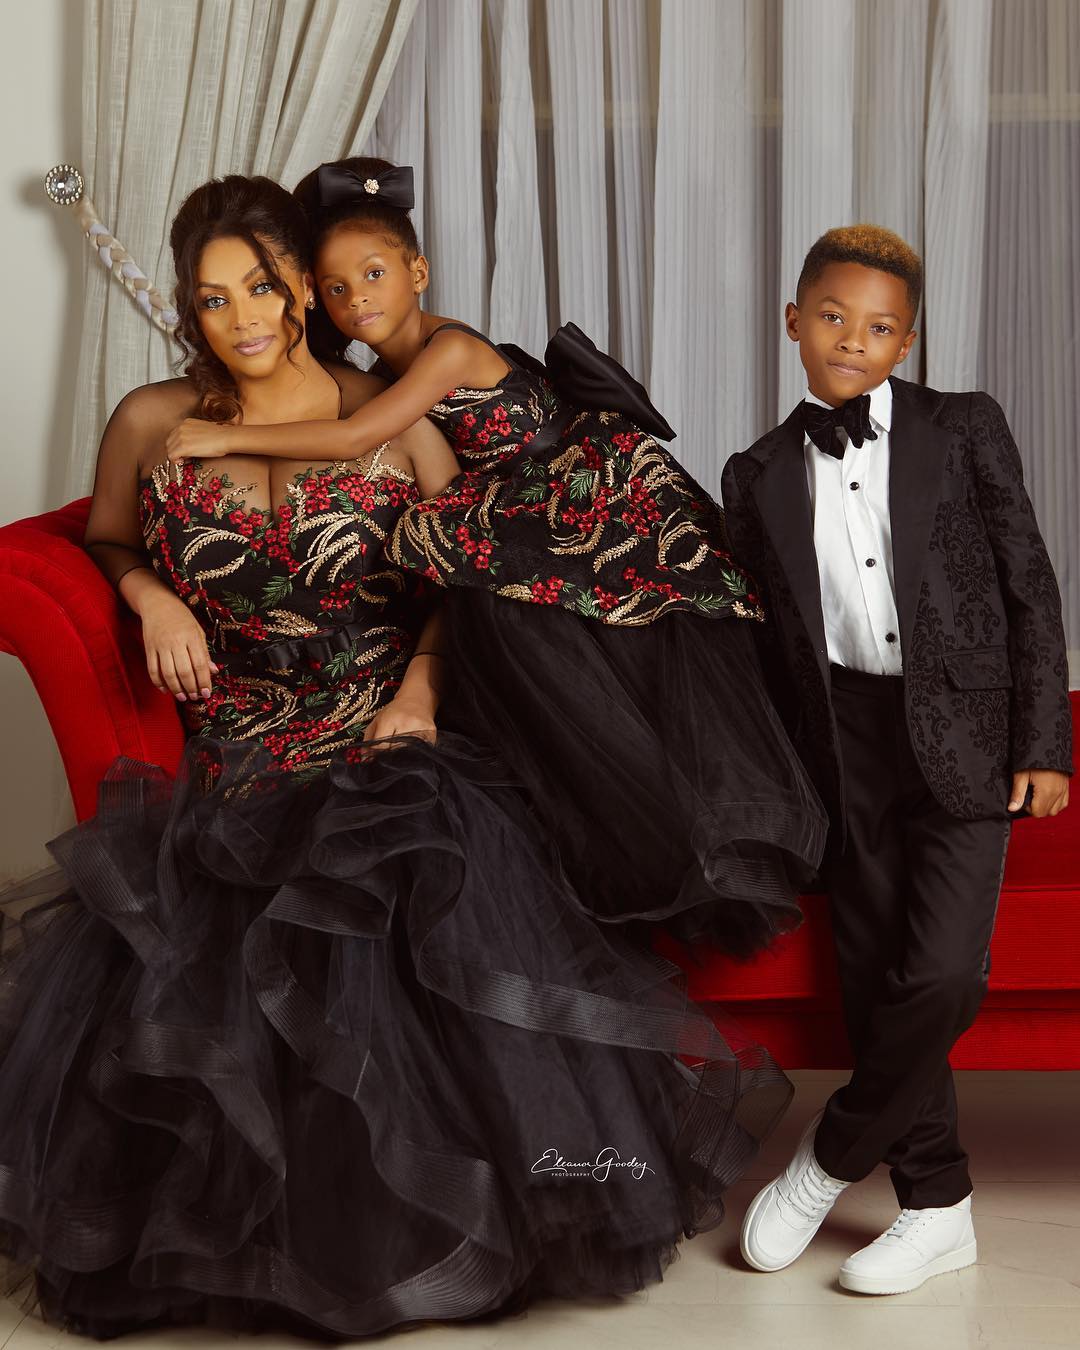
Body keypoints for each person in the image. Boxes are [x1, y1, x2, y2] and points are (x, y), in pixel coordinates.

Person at [0, 174, 793, 1339]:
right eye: (213, 299)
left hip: (385, 730)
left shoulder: (396, 414)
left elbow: (469, 583)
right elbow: (111, 535)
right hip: (240, 741)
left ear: (303, 289)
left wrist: (419, 697)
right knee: (223, 926)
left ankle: (419, 1236)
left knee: (393, 895)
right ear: (187, 309)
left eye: (262, 287)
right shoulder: (149, 419)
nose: (243, 318)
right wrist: (148, 596)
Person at [164, 156, 828, 959]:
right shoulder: (380, 367)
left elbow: (354, 436)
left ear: (418, 272)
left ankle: (702, 835)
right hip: (520, 509)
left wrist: (226, 438)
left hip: (585, 491)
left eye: (373, 275)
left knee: (570, 646)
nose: (357, 299)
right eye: (337, 288)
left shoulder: (444, 349)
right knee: (513, 643)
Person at [724, 224, 1072, 1296]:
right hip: (845, 744)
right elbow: (765, 645)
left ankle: (830, 1153)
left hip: (968, 739)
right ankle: (936, 1206)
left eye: (879, 328)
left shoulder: (963, 426)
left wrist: (1044, 742)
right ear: (794, 320)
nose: (852, 340)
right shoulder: (756, 473)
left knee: (943, 974)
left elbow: (1028, 581)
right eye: (833, 318)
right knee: (877, 981)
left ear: (906, 342)